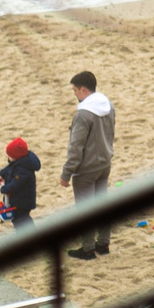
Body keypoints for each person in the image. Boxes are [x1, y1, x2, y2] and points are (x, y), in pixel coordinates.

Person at [60, 72, 115, 260]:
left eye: (75, 90)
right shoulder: (108, 106)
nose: (74, 94)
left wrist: (66, 173)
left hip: (87, 170)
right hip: (105, 163)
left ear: (83, 89)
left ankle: (88, 249)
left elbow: (76, 147)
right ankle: (103, 243)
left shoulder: (83, 115)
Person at [0, 136, 41, 228]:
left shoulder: (23, 170)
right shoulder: (18, 163)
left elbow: (16, 184)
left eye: (10, 156)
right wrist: (1, 174)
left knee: (22, 220)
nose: (8, 157)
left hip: (22, 202)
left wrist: (4, 189)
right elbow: (8, 169)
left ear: (17, 157)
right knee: (19, 220)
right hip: (17, 200)